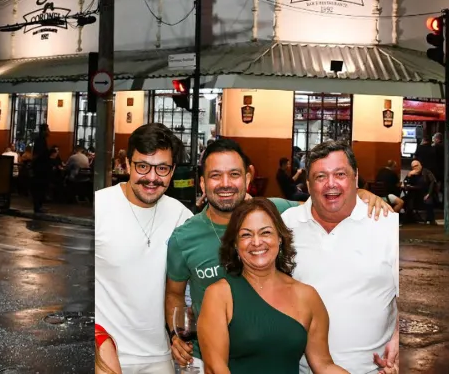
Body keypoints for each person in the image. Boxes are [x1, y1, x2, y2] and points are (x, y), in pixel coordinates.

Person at [166, 139, 392, 372]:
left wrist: (359, 193)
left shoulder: (277, 211)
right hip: (205, 357)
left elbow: (325, 199)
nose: (256, 242)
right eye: (215, 175)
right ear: (202, 183)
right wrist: (176, 334)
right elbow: (174, 294)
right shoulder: (185, 239)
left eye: (234, 174)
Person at [281, 141, 400, 374]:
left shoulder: (388, 226)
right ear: (308, 184)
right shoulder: (286, 224)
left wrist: (399, 338)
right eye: (320, 176)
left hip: (372, 370)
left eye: (340, 174)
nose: (331, 184)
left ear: (355, 178)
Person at [197, 199, 352, 374]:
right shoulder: (219, 294)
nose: (256, 242)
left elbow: (323, 365)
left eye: (265, 232)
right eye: (246, 235)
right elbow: (215, 368)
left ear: (279, 237)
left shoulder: (307, 296)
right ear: (235, 244)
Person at [96, 123, 193, 374]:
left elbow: (187, 290)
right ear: (127, 164)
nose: (152, 178)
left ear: (172, 171)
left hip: (160, 356)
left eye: (162, 168)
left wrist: (177, 333)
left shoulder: (181, 217)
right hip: (107, 354)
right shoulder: (100, 207)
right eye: (142, 166)